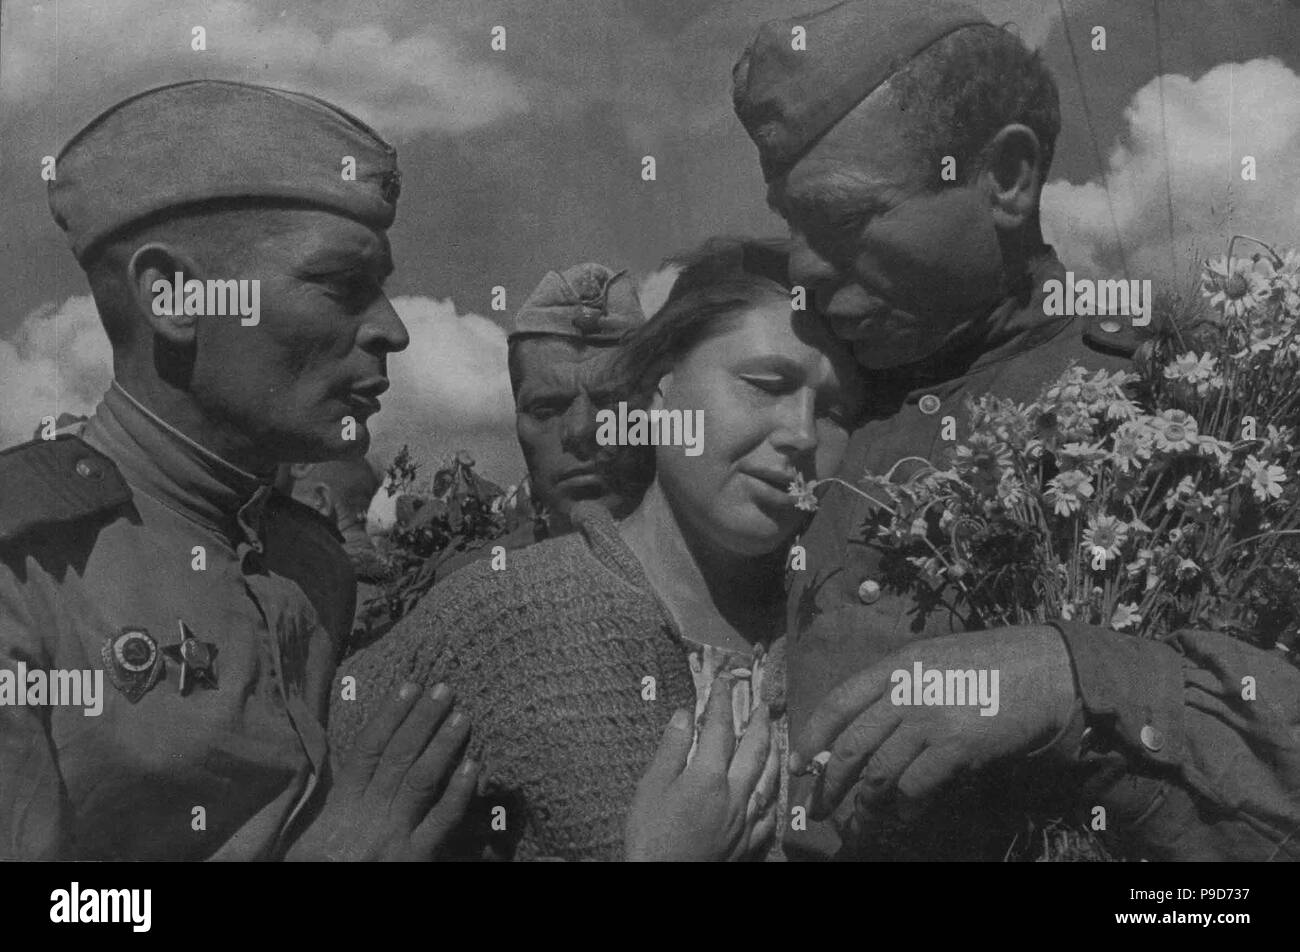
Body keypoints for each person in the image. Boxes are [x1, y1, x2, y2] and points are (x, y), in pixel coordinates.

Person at [732, 0, 1300, 860]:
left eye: (844, 219)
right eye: (791, 222)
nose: (804, 265)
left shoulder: (1194, 397)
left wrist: (1075, 682)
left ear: (1006, 175)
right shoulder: (806, 409)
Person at [0, 80, 477, 861]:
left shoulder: (313, 567)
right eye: (341, 287)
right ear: (176, 297)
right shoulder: (25, 566)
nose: (392, 330)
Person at [330, 237, 867, 860]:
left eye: (834, 410)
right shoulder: (508, 617)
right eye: (764, 384)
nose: (801, 434)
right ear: (659, 396)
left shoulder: (847, 623)